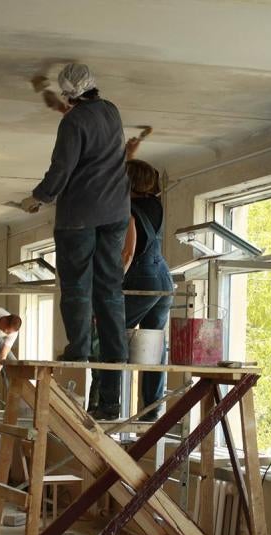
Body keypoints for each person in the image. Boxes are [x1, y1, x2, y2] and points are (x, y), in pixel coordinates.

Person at [20, 63, 130, 366]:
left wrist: (40, 197)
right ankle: (116, 350)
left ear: (68, 94)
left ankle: (79, 349)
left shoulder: (73, 123)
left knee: (77, 284)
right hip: (116, 210)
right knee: (109, 283)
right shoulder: (111, 110)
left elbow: (62, 167)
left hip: (80, 213)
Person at [92, 158, 173, 420]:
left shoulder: (126, 210)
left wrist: (109, 290)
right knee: (153, 343)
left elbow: (127, 253)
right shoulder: (155, 205)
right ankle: (152, 408)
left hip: (141, 277)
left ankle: (108, 404)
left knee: (111, 335)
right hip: (162, 278)